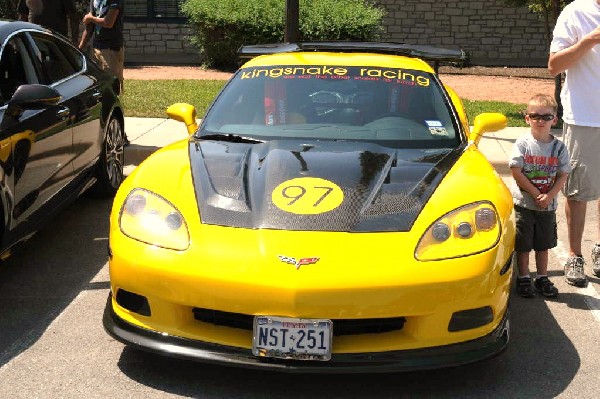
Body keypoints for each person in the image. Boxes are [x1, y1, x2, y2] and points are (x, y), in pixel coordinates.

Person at [548, 0, 600, 287]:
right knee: (578, 193)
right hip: (585, 118)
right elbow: (554, 65)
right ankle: (574, 255)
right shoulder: (576, 11)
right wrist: (591, 38)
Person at [509, 94, 570, 298]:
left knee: (543, 244)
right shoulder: (523, 144)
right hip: (525, 205)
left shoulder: (559, 147)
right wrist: (536, 194)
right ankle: (524, 277)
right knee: (523, 244)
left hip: (547, 207)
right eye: (535, 116)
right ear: (527, 118)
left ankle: (542, 277)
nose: (540, 121)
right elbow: (517, 171)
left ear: (555, 119)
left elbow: (563, 174)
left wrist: (549, 196)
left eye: (546, 117)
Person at [78, 0, 125, 93]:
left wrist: (91, 18)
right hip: (97, 48)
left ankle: (116, 106)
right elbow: (89, 28)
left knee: (112, 83)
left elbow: (108, 23)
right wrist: (79, 48)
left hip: (111, 48)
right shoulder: (94, 1)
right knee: (99, 83)